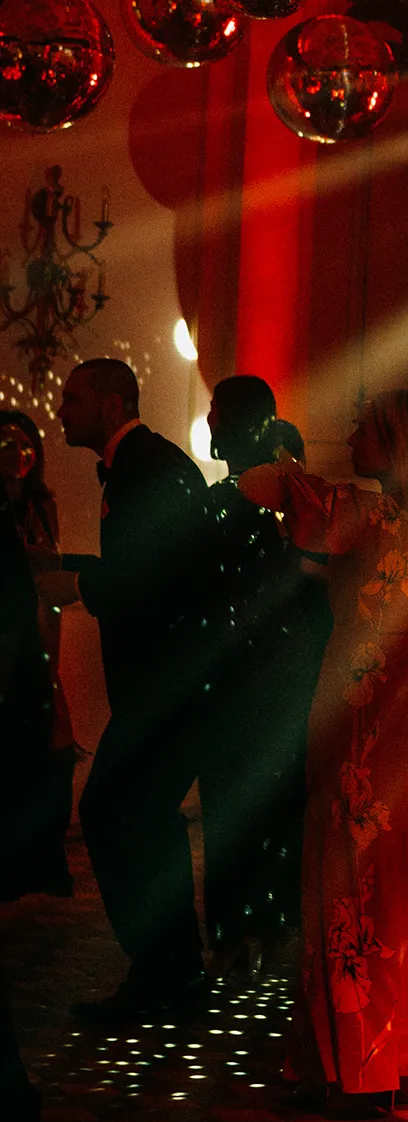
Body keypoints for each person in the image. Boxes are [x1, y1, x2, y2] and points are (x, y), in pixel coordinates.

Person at [241, 390, 408, 1111]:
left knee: (348, 866)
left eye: (364, 429)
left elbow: (260, 486)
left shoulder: (359, 513)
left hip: (365, 693)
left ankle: (360, 1061)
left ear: (397, 443)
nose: (350, 438)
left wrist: (278, 467)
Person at [61, 358, 224, 1025]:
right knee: (143, 820)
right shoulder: (146, 465)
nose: (61, 410)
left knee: (113, 812)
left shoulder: (146, 469)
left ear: (112, 403)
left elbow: (151, 574)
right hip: (169, 684)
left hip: (168, 685)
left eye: (73, 398)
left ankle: (165, 970)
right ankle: (171, 971)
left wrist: (78, 586)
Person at [200, 377, 329, 971]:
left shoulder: (254, 499)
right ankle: (265, 927)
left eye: (216, 411)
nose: (210, 422)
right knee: (267, 799)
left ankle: (244, 932)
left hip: (256, 671)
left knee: (248, 800)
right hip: (274, 668)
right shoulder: (286, 495)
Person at [0, 410, 74, 897]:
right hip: (8, 640)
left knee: (53, 746)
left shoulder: (41, 506)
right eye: (6, 445)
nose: (15, 454)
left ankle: (41, 861)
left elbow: (51, 570)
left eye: (23, 446)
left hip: (38, 637)